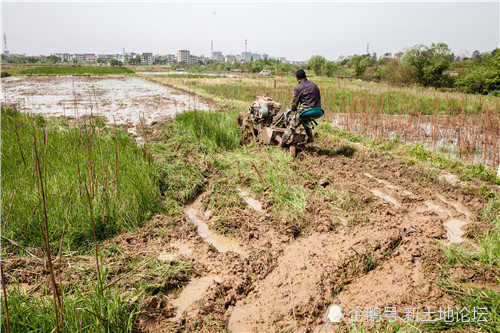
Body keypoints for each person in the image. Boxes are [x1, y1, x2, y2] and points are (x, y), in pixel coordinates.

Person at [280, 69, 321, 146]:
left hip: (307, 110)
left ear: (297, 78)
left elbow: (294, 104)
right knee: (305, 119)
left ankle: (282, 143)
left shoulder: (298, 88)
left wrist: (293, 110)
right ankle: (310, 138)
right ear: (305, 76)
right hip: (318, 110)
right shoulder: (314, 85)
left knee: (292, 125)